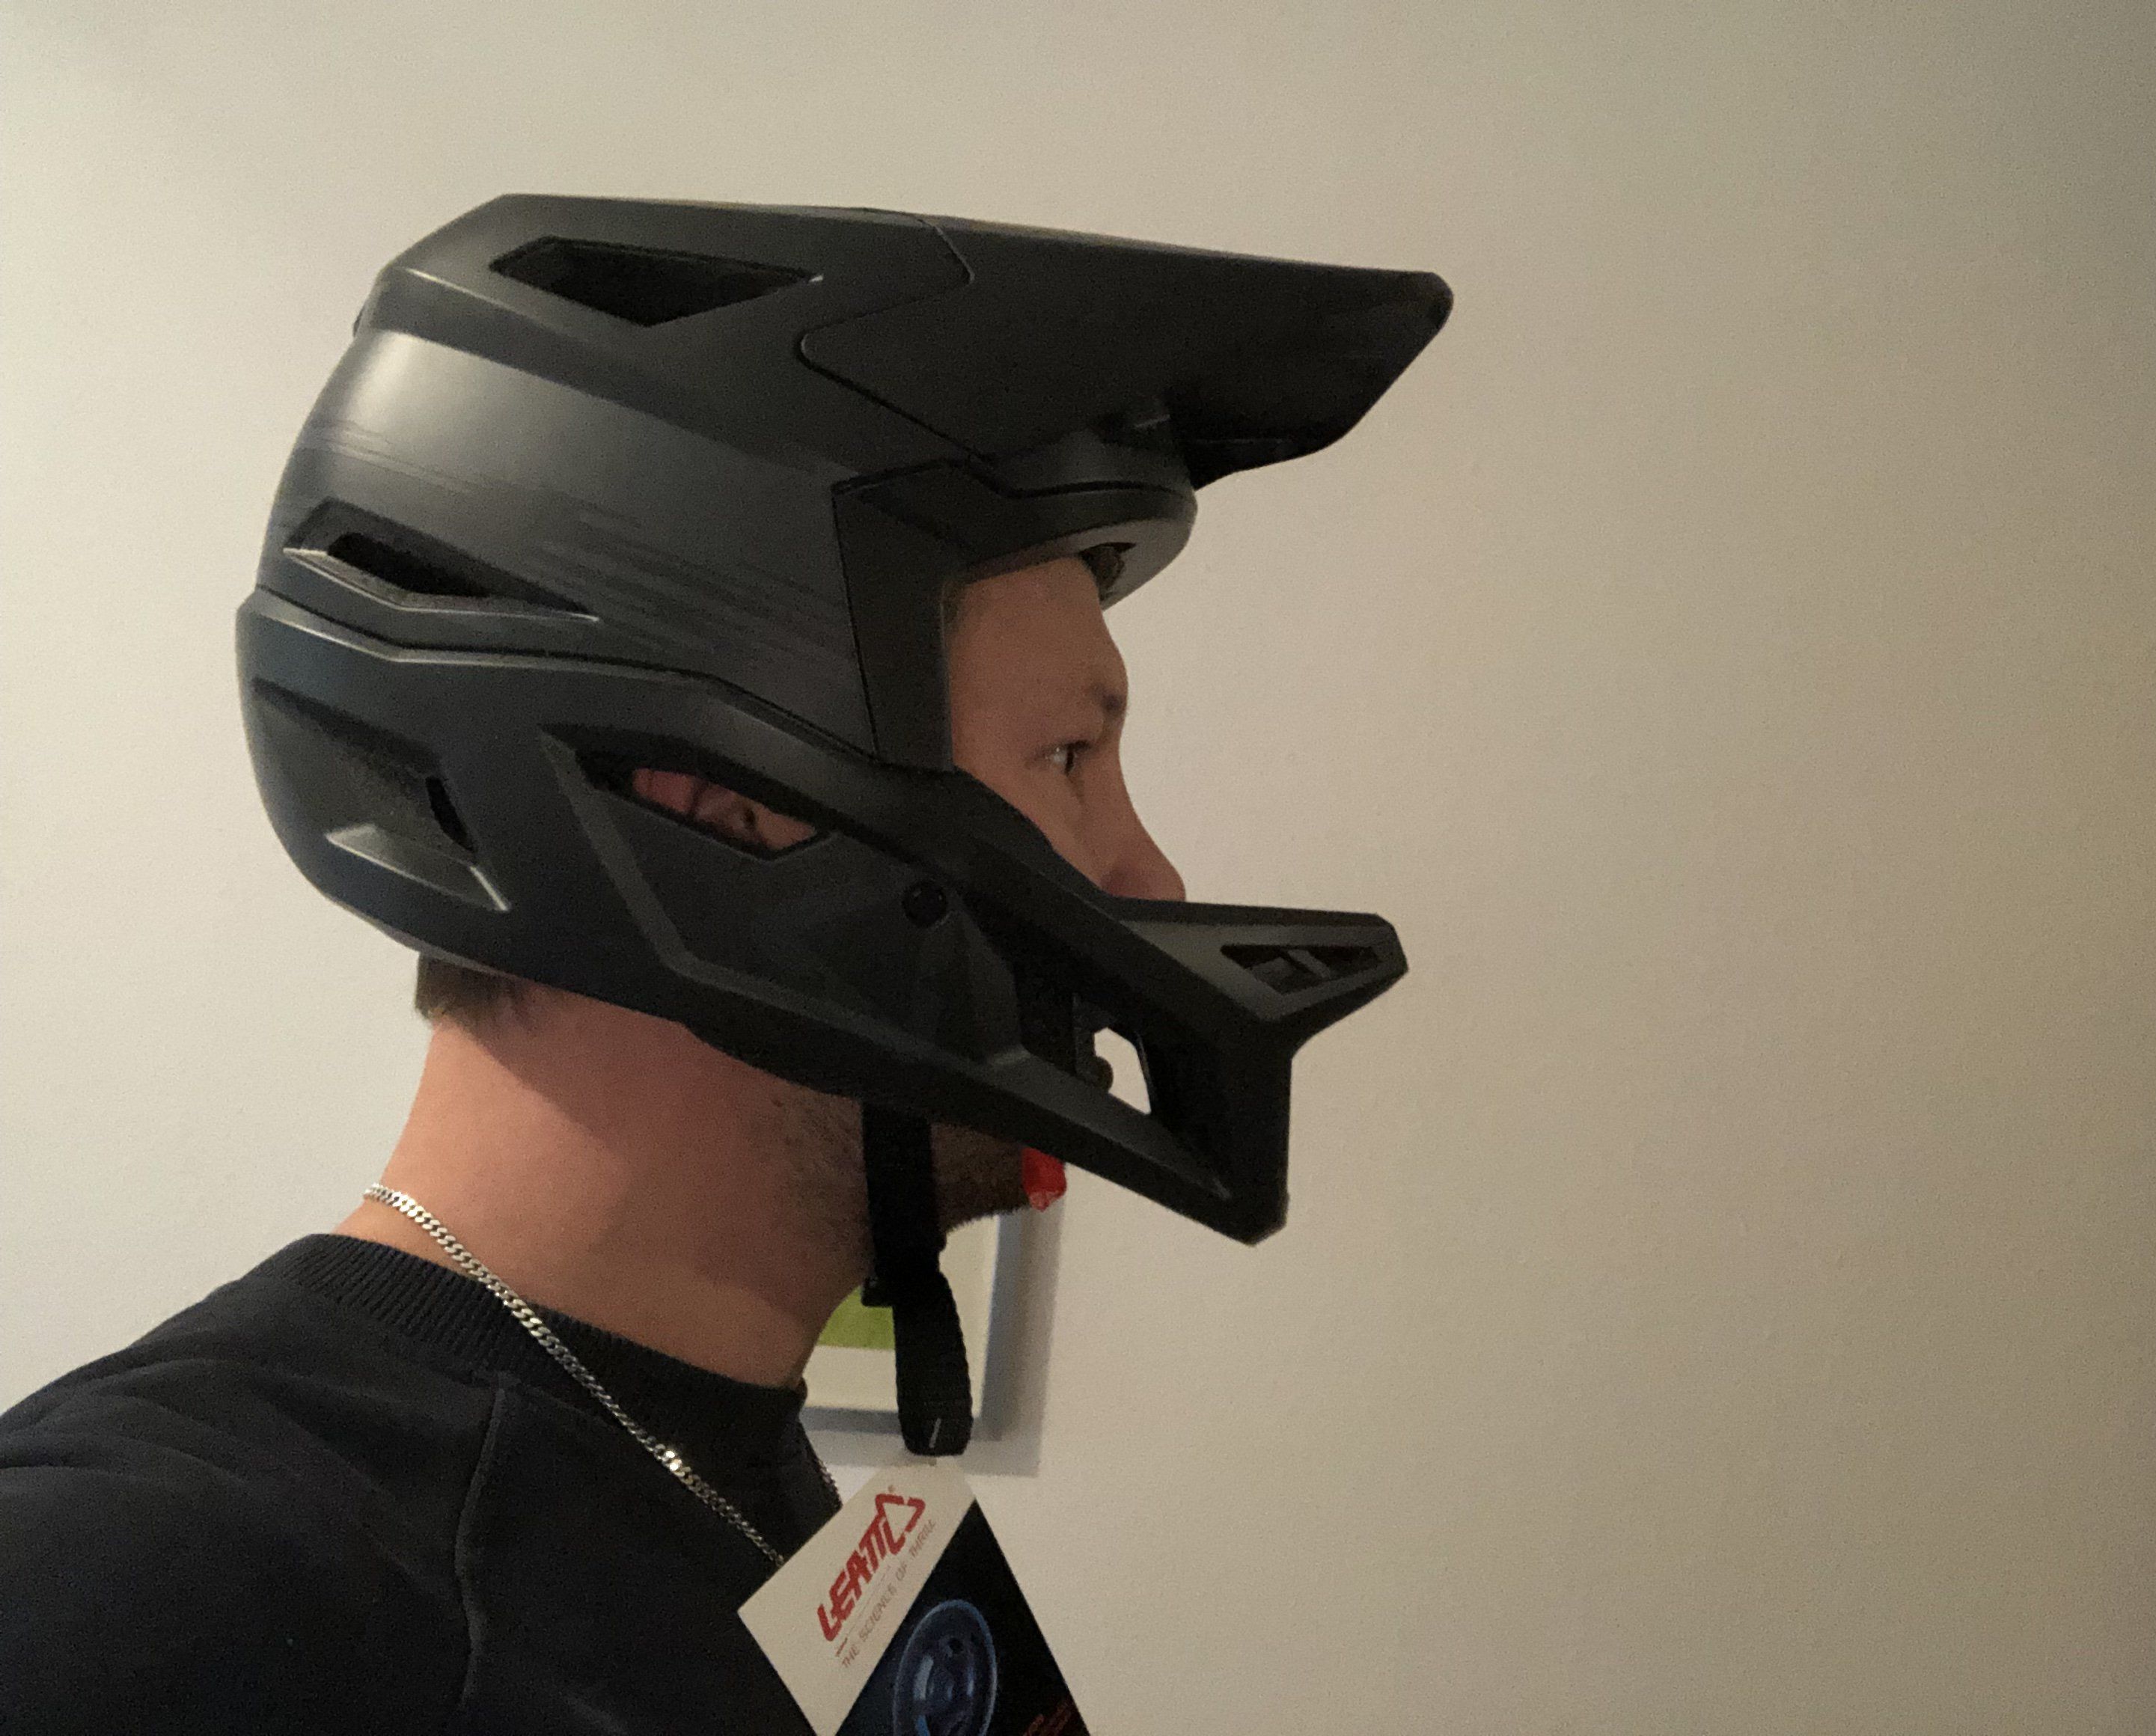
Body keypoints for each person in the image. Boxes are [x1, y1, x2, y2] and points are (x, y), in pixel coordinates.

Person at [0, 197, 1447, 1732]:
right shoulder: (153, 1590)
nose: (1148, 876)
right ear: (715, 806)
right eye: (1069, 756)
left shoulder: (704, 1459)